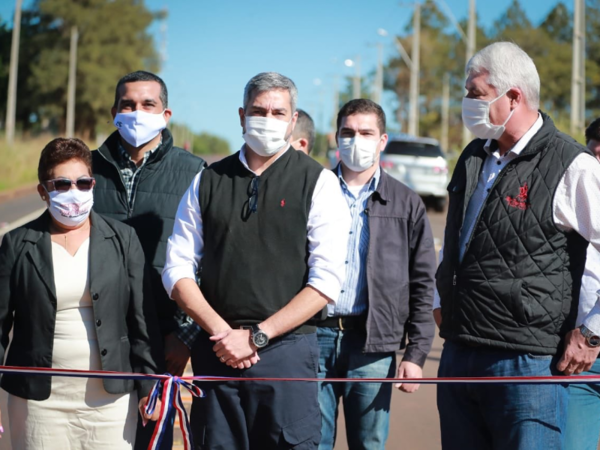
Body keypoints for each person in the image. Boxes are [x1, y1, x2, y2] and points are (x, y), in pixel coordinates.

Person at [162, 71, 351, 449]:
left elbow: (326, 282)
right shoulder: (207, 180)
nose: (267, 119)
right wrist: (222, 333)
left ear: (293, 119)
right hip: (217, 353)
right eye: (258, 110)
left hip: (287, 355)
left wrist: (258, 336)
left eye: (278, 112)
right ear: (241, 115)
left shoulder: (318, 182)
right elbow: (177, 269)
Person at [433, 42, 600, 450]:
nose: (467, 103)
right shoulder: (474, 155)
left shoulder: (572, 164)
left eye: (476, 93)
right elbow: (458, 233)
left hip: (527, 363)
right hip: (459, 353)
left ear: (513, 96)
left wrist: (592, 334)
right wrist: (442, 295)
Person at [0, 138, 162, 450]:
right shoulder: (17, 244)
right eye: (61, 184)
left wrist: (148, 388)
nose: (74, 192)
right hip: (37, 403)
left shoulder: (123, 239)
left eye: (82, 182)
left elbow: (142, 321)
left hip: (110, 402)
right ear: (43, 192)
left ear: (93, 184)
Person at [91, 71, 205, 449]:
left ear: (166, 114)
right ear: (114, 111)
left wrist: (186, 336)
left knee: (150, 438)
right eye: (128, 105)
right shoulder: (86, 171)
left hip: (164, 340)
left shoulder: (195, 173)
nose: (137, 113)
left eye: (147, 105)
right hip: (93, 337)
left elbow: (207, 261)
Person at [317, 98, 436, 450]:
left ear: (382, 140)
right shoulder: (314, 192)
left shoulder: (406, 202)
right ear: (336, 138)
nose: (357, 140)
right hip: (313, 338)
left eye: (366, 133)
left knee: (368, 443)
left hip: (373, 344)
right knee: (308, 442)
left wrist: (416, 354)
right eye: (348, 132)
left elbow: (423, 282)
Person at [564, 119, 600, 449]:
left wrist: (593, 330)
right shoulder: (572, 193)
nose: (598, 148)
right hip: (582, 362)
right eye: (594, 141)